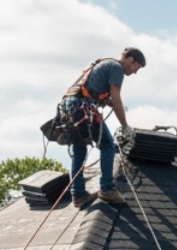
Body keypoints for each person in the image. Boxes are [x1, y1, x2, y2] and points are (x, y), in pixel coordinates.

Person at [60, 47, 145, 208]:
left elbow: (102, 94)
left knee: (80, 148)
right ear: (131, 60)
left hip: (70, 107)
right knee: (107, 144)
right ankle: (107, 188)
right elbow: (116, 96)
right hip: (82, 106)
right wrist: (125, 126)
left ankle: (78, 194)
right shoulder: (116, 68)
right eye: (137, 67)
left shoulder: (104, 64)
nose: (135, 72)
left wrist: (110, 103)